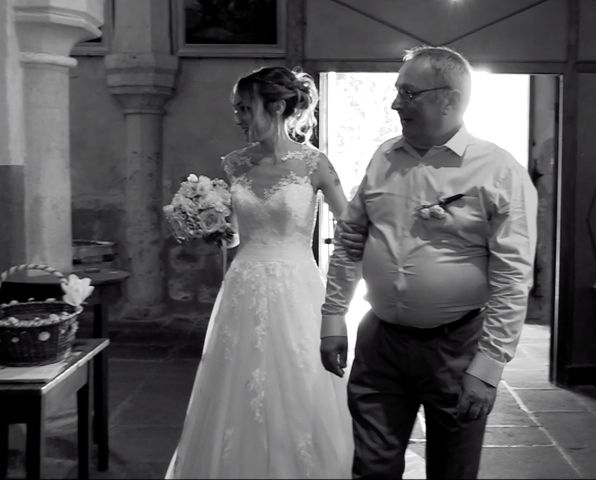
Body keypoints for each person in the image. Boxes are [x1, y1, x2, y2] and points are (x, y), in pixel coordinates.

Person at [320, 45, 538, 479]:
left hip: (457, 347)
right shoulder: (384, 156)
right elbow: (350, 238)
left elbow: (513, 275)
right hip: (381, 341)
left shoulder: (499, 171)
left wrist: (490, 364)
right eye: (398, 91)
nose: (395, 102)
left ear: (449, 100)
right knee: (371, 466)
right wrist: (333, 316)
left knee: (452, 469)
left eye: (408, 93)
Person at [166, 66, 353, 479]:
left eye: (246, 108)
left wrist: (344, 285)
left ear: (279, 106)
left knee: (299, 384)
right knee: (236, 386)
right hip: (242, 287)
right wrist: (207, 223)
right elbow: (233, 237)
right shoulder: (234, 165)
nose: (238, 118)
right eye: (236, 108)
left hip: (297, 288)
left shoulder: (314, 164)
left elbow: (351, 226)